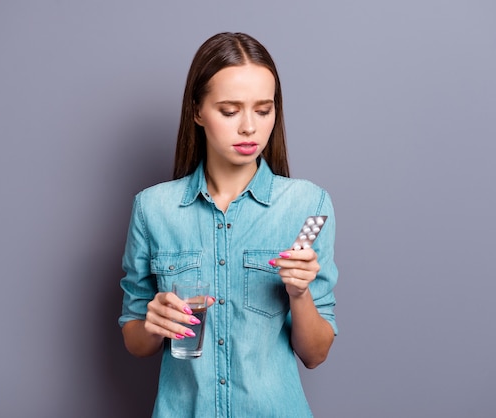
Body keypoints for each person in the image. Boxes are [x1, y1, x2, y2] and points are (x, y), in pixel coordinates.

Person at [119, 32, 338, 417]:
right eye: (230, 110)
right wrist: (152, 323)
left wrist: (299, 294)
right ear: (198, 111)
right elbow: (136, 342)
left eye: (264, 109)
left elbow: (316, 353)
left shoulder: (307, 204)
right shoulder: (153, 208)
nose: (250, 127)